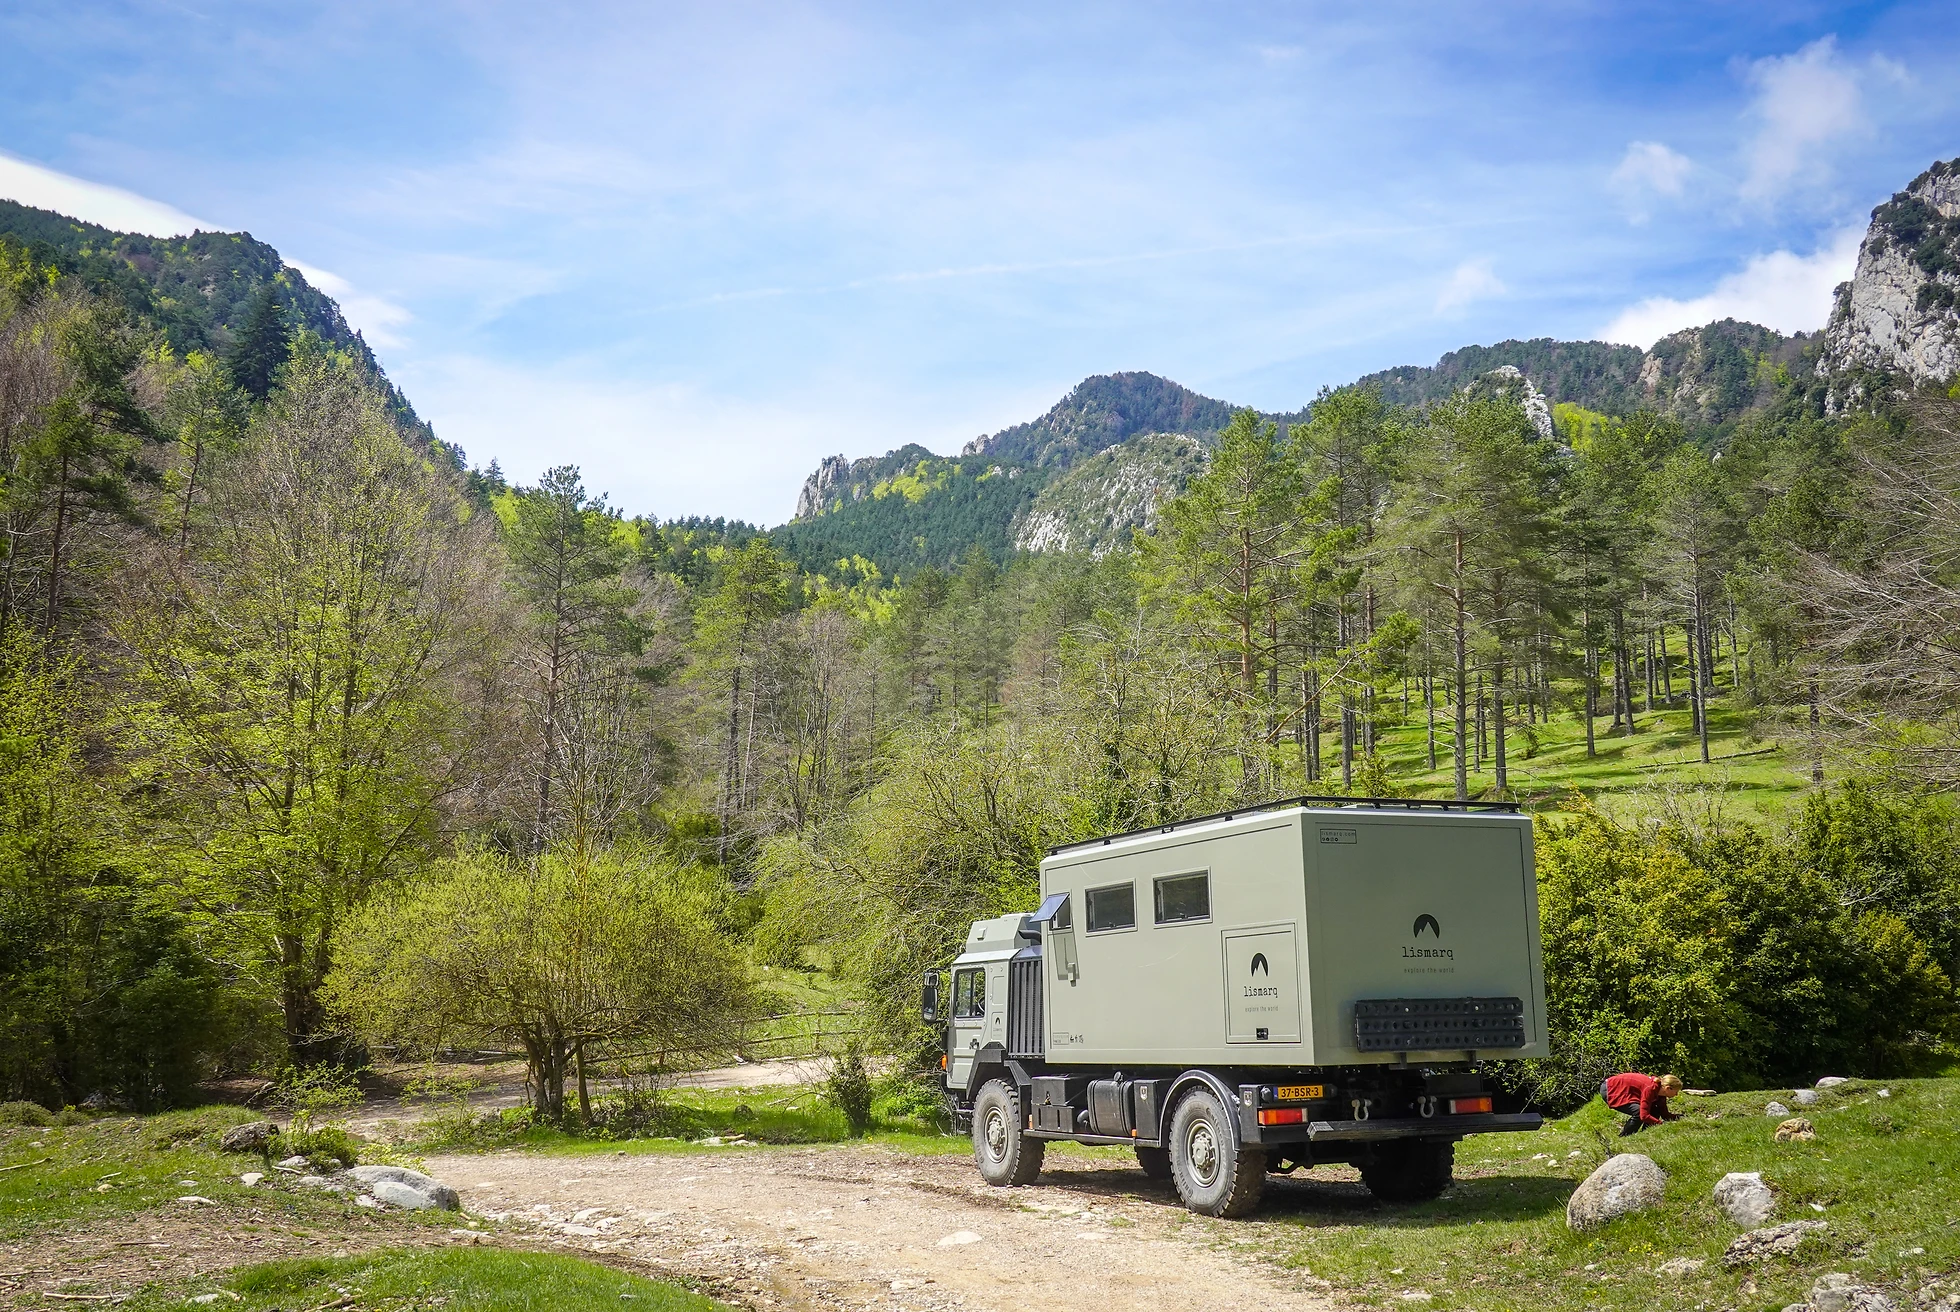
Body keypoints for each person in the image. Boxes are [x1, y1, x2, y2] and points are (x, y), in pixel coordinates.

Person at [1602, 1072, 1683, 1136]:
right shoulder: (1650, 1089)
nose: (1676, 1095)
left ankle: (1647, 1133)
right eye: (1676, 1092)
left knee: (1655, 1109)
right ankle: (1625, 1136)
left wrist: (1679, 1117)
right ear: (1668, 1088)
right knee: (1638, 1112)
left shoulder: (1660, 1093)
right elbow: (1643, 1116)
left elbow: (1664, 1114)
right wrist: (1660, 1123)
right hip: (1611, 1088)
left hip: (1620, 1088)